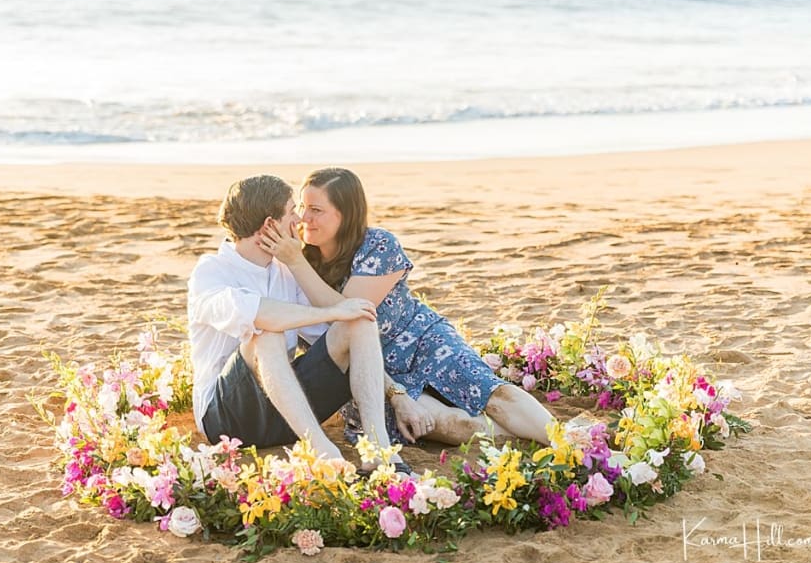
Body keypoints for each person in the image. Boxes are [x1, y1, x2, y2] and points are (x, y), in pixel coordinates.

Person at [259, 167, 554, 447]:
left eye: (316, 210)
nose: (304, 218)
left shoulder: (378, 245)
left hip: (420, 340)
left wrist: (296, 262)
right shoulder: (297, 260)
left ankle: (562, 439)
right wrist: (295, 261)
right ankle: (533, 440)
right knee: (447, 423)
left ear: (346, 214)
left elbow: (352, 311)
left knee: (493, 395)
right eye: (302, 206)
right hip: (366, 370)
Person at [187, 174, 408, 470]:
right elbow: (261, 314)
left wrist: (395, 393)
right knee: (266, 334)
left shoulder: (284, 270)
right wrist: (333, 311)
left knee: (358, 321)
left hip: (287, 412)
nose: (300, 220)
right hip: (227, 420)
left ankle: (378, 450)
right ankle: (323, 453)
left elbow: (334, 339)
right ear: (270, 225)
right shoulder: (211, 271)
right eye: (292, 211)